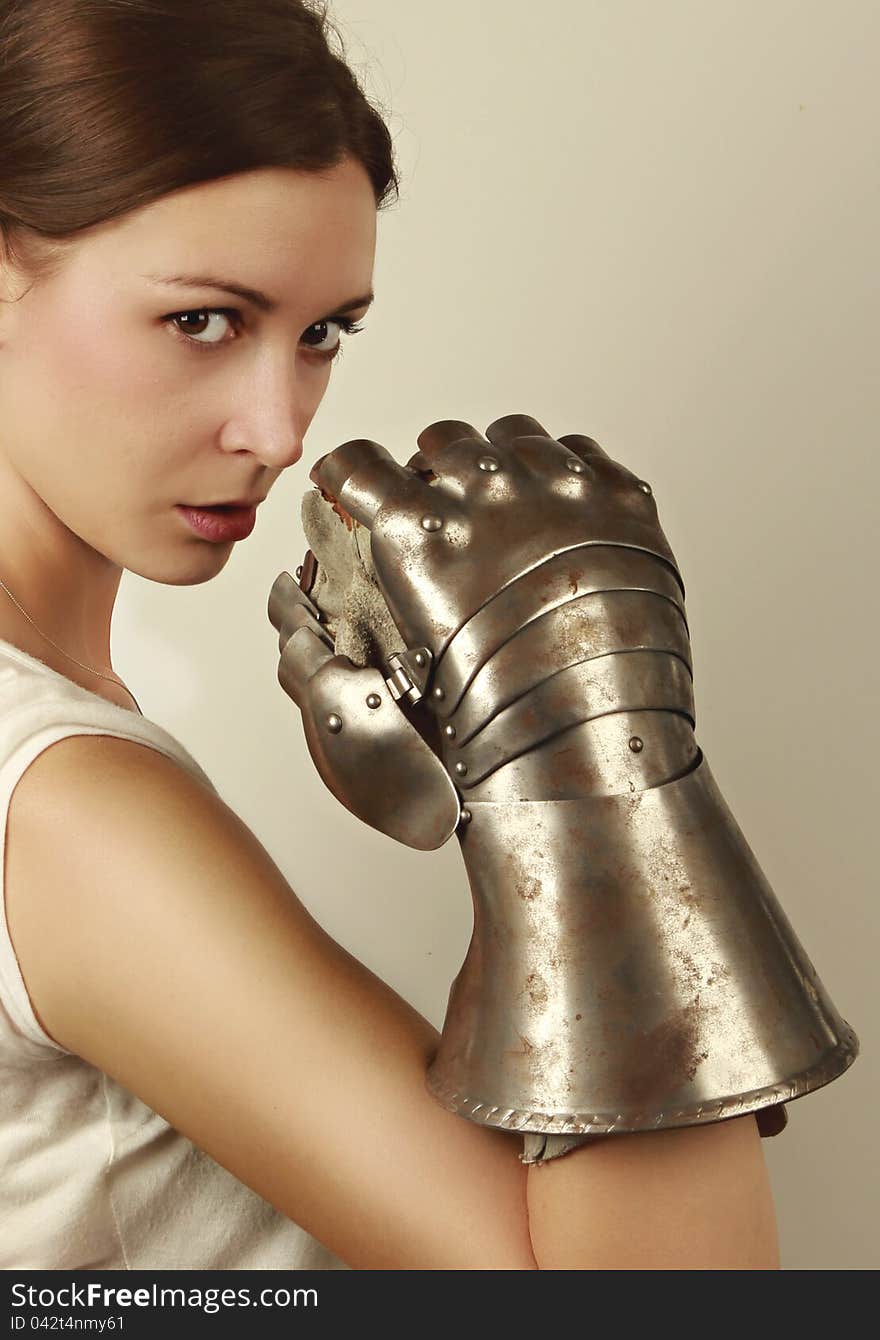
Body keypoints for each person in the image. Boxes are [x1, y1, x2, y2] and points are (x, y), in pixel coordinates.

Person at [0, 0, 780, 1270]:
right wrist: (582, 755)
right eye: (202, 318)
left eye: (320, 333)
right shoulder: (65, 808)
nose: (280, 425)